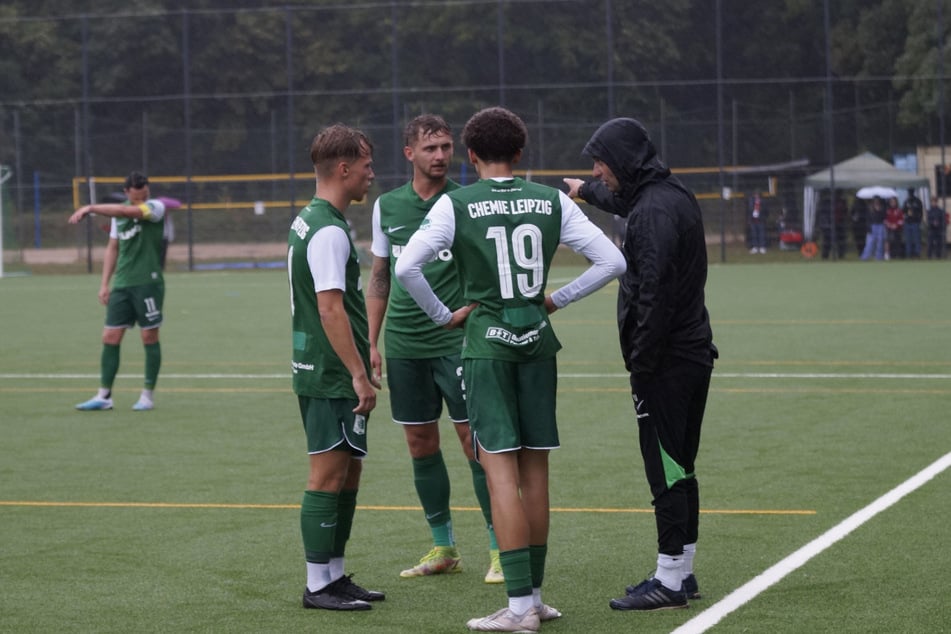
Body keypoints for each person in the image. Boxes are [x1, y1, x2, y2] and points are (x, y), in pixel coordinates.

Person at [395, 106, 625, 633]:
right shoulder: (549, 199)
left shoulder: (456, 203)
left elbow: (407, 266)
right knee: (536, 473)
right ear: (520, 153)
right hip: (537, 345)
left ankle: (519, 609)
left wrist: (444, 316)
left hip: (488, 348)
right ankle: (535, 598)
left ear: (470, 155)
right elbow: (614, 262)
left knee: (500, 472)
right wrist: (555, 300)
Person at [565, 117, 717, 612]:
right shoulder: (669, 194)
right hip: (692, 353)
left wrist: (641, 363)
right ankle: (682, 572)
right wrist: (586, 190)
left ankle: (670, 581)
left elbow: (652, 294)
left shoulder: (651, 213)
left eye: (600, 163)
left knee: (666, 471)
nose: (596, 169)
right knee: (682, 466)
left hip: (666, 361)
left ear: (623, 161)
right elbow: (625, 198)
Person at [366, 114, 502, 584]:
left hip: (458, 342)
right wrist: (372, 340)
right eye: (430, 148)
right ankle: (443, 546)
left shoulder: (465, 203)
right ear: (409, 154)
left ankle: (499, 547)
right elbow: (381, 275)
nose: (440, 156)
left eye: (446, 147)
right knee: (420, 443)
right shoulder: (386, 206)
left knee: (474, 443)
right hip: (405, 344)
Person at [287, 123, 385, 612]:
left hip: (325, 366)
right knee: (327, 475)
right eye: (367, 166)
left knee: (348, 472)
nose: (372, 174)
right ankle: (317, 585)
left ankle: (335, 574)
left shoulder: (313, 219)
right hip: (328, 373)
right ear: (343, 169)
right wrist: (357, 374)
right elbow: (329, 308)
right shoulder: (327, 230)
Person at [68, 171, 167, 412]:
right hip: (122, 284)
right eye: (135, 196)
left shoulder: (155, 207)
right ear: (126, 193)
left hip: (148, 282)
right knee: (110, 337)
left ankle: (147, 396)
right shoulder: (118, 214)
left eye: (144, 194)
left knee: (149, 337)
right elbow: (113, 247)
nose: (140, 200)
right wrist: (105, 283)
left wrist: (90, 207)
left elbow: (127, 212)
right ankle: (104, 396)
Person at [860, 196, 886, 260]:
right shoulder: (869, 208)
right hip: (872, 225)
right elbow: (868, 218)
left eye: (877, 200)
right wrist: (868, 227)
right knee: (869, 242)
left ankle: (879, 257)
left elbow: (883, 217)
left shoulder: (882, 208)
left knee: (880, 242)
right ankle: (865, 257)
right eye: (875, 200)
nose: (876, 201)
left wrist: (879, 211)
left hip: (880, 226)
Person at [902, 188, 923, 259]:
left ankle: (917, 254)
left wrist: (917, 218)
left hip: (915, 223)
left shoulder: (917, 201)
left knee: (917, 239)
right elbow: (903, 211)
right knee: (908, 240)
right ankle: (908, 254)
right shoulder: (906, 201)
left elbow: (921, 212)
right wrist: (907, 216)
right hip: (908, 223)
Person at [884, 195, 904, 259]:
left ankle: (897, 255)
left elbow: (901, 220)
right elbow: (886, 220)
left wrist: (896, 225)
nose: (893, 203)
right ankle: (888, 255)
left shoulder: (899, 210)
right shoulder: (888, 211)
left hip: (897, 229)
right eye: (891, 202)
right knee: (888, 241)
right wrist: (889, 225)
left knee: (897, 242)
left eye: (894, 202)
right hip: (889, 229)